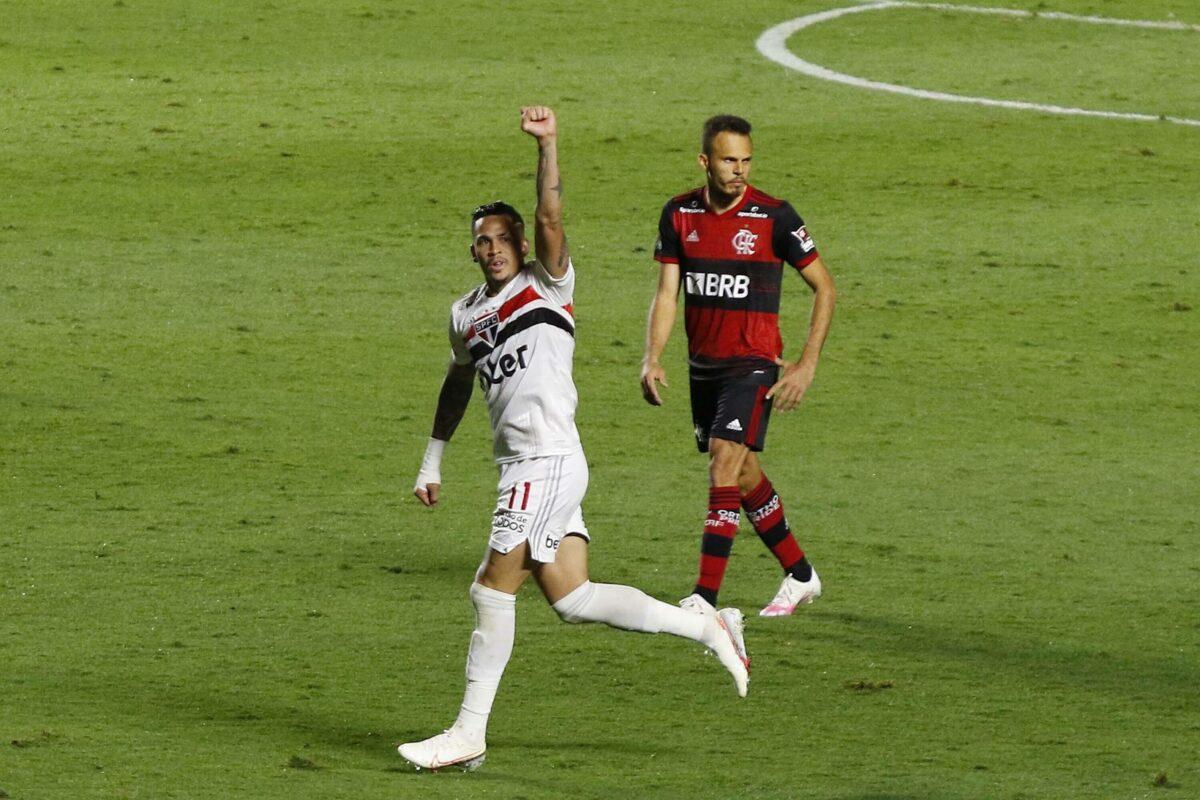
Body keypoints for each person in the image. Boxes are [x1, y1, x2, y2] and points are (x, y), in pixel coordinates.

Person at [399, 106, 749, 773]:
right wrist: (432, 460)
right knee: (573, 597)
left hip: (549, 460)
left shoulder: (547, 283)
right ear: (473, 248)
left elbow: (555, 218)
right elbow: (456, 386)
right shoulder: (465, 314)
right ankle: (706, 625)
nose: (496, 247)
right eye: (484, 240)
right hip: (522, 467)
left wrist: (548, 145)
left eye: (506, 237)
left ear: (522, 240)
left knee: (490, 589)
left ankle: (468, 732)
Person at [640, 114, 836, 618]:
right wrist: (653, 358)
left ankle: (704, 599)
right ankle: (800, 574)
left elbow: (825, 287)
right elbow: (668, 293)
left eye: (746, 160)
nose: (739, 170)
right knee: (745, 474)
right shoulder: (679, 214)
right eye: (729, 160)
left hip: (752, 364)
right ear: (705, 161)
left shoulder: (775, 217)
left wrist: (806, 365)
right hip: (702, 368)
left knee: (723, 460)